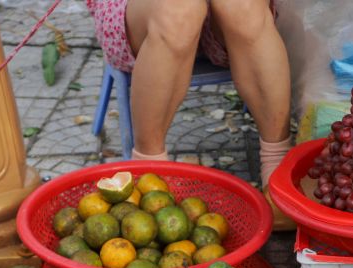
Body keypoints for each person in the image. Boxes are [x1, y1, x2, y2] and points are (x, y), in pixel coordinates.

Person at [86, 0, 293, 188]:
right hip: (144, 11)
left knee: (242, 6)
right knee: (177, 10)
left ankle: (278, 161)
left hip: (226, 19)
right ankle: (149, 167)